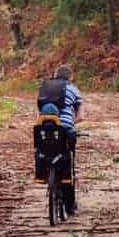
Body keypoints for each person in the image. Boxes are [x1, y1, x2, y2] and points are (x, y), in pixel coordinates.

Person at [36, 65, 82, 214]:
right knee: (68, 158)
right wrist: (73, 123)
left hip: (44, 126)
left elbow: (39, 109)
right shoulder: (73, 89)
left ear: (55, 75)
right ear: (71, 77)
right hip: (65, 128)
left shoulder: (45, 87)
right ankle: (69, 206)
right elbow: (80, 115)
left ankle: (43, 173)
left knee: (43, 150)